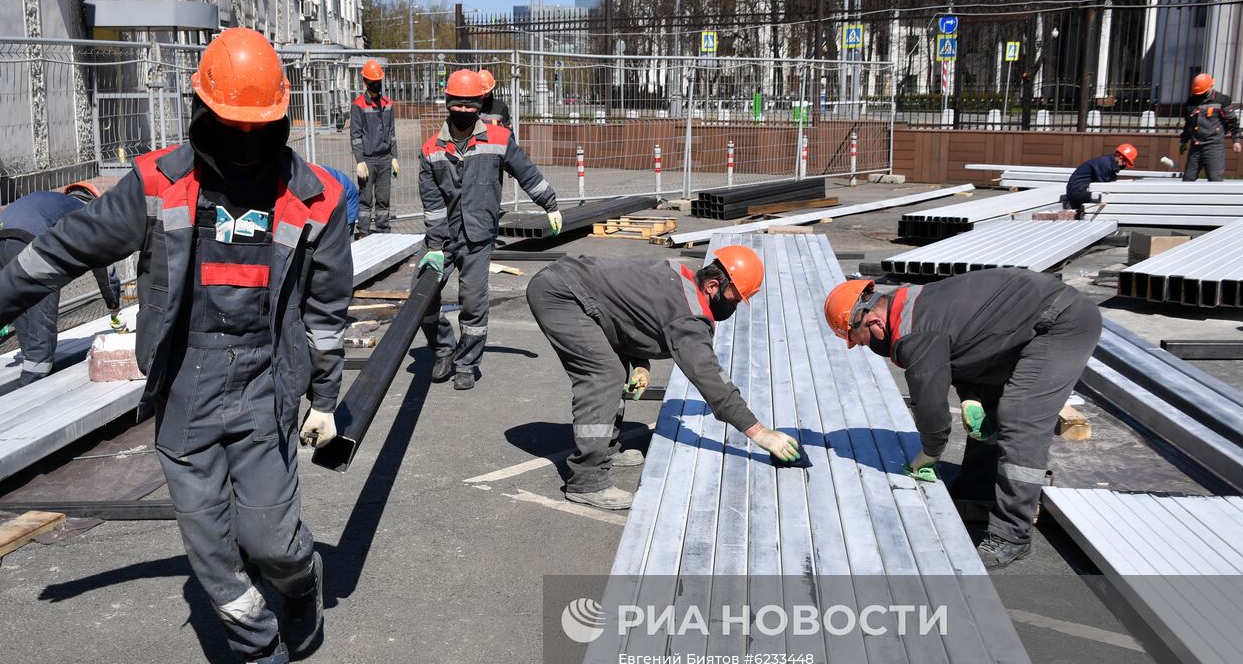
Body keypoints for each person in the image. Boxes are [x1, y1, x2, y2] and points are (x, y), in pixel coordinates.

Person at [0, 28, 352, 664]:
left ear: (279, 120)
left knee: (275, 542)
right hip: (189, 384)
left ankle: (300, 581)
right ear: (205, 113)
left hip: (263, 386)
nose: (246, 140)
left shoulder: (319, 197)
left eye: (258, 127)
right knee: (211, 547)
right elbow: (69, 242)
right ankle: (263, 655)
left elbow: (325, 311)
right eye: (233, 125)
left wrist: (323, 399)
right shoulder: (161, 182)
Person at [823, 269, 1101, 570]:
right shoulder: (907, 304)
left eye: (860, 340)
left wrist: (929, 453)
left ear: (874, 322)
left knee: (1020, 419)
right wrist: (972, 395)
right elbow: (967, 342)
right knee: (990, 415)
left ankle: (1012, 535)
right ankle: (978, 493)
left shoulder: (912, 332)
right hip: (1027, 323)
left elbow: (931, 408)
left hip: (1061, 323)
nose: (863, 347)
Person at [527, 247, 801, 510]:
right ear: (713, 287)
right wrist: (760, 432)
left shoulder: (680, 278)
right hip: (560, 295)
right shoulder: (689, 316)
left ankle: (605, 449)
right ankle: (586, 481)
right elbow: (710, 380)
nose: (735, 306)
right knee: (604, 376)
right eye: (735, 298)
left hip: (572, 288)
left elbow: (627, 314)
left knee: (615, 370)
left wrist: (640, 363)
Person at [418, 69, 560, 391]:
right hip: (443, 237)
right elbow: (432, 202)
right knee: (422, 295)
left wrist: (549, 204)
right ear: (448, 103)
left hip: (479, 236)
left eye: (471, 105)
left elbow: (527, 173)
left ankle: (466, 362)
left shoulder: (498, 139)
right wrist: (436, 245)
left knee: (473, 302)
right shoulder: (431, 150)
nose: (465, 111)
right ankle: (443, 350)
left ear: (480, 104)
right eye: (459, 104)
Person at [0, 181, 125, 384]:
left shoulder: (54, 202)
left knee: (21, 302)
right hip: (33, 240)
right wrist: (114, 305)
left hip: (0, 234)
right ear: (93, 201)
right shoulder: (84, 214)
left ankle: (31, 363)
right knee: (40, 309)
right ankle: (34, 382)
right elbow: (103, 266)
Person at [350, 59, 399, 233]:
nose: (376, 85)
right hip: (368, 160)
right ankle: (363, 232)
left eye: (378, 82)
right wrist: (360, 161)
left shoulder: (387, 104)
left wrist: (394, 157)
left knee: (383, 199)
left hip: (385, 158)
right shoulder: (358, 106)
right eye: (372, 82)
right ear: (365, 82)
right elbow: (355, 135)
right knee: (365, 199)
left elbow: (392, 133)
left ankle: (383, 231)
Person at [1179, 73, 1242, 182]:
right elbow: (1189, 124)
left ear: (1210, 87)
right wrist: (1184, 141)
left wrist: (1236, 140)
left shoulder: (1222, 100)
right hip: (1195, 146)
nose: (1199, 96)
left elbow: (1232, 121)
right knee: (1188, 180)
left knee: (1215, 180)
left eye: (1202, 92)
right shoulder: (1191, 102)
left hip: (1214, 146)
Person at [1062, 143, 1136, 217]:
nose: (1124, 166)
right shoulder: (1105, 164)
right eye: (1125, 164)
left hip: (1082, 190)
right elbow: (1101, 186)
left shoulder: (1109, 164)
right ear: (1120, 157)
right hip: (1077, 192)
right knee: (1106, 197)